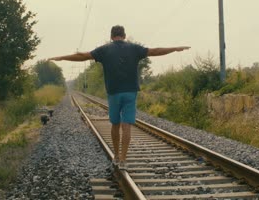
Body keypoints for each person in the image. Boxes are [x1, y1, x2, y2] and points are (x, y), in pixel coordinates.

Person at [49, 25, 190, 170]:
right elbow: (155, 51)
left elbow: (82, 56)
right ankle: (123, 159)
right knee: (126, 126)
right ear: (124, 35)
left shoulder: (104, 50)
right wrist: (175, 48)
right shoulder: (135, 48)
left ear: (111, 36)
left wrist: (62, 57)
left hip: (114, 93)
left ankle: (116, 157)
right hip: (130, 92)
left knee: (115, 125)